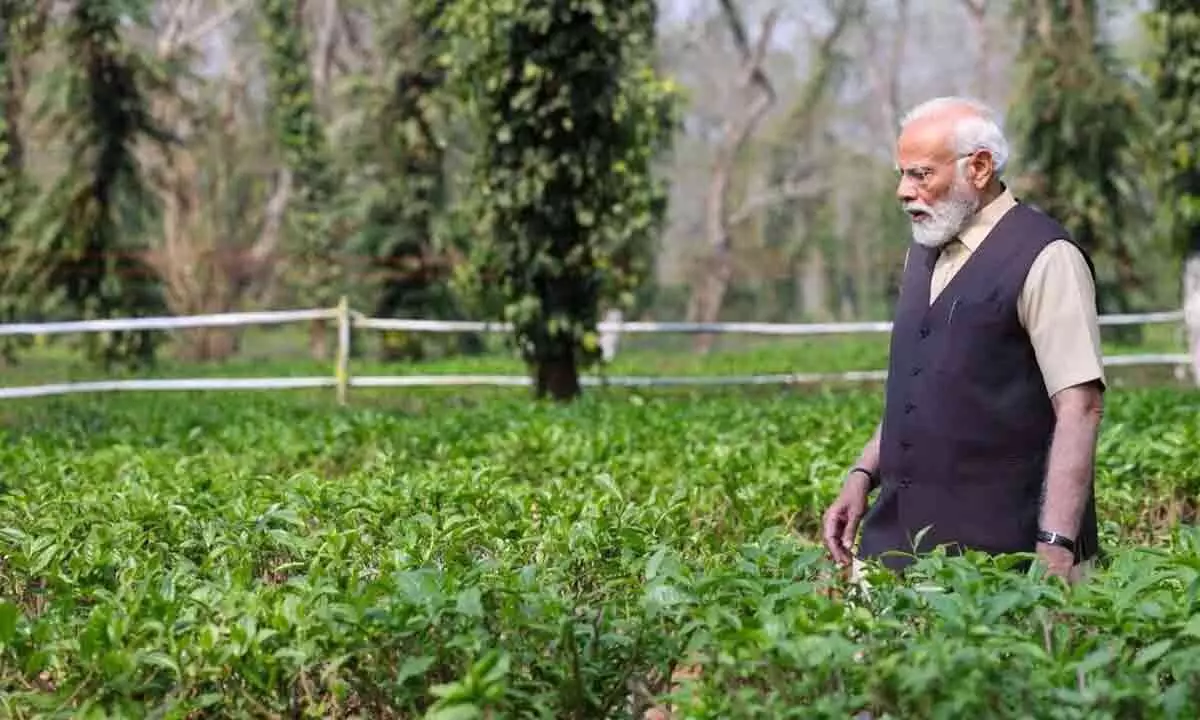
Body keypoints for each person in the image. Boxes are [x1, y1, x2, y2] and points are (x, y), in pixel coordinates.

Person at [821, 96, 1106, 583]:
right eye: (902, 173)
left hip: (1002, 562)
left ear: (978, 168)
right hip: (894, 547)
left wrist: (1056, 547)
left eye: (920, 174)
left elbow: (1080, 406)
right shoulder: (923, 252)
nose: (902, 190)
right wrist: (862, 474)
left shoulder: (1047, 256)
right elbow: (920, 387)